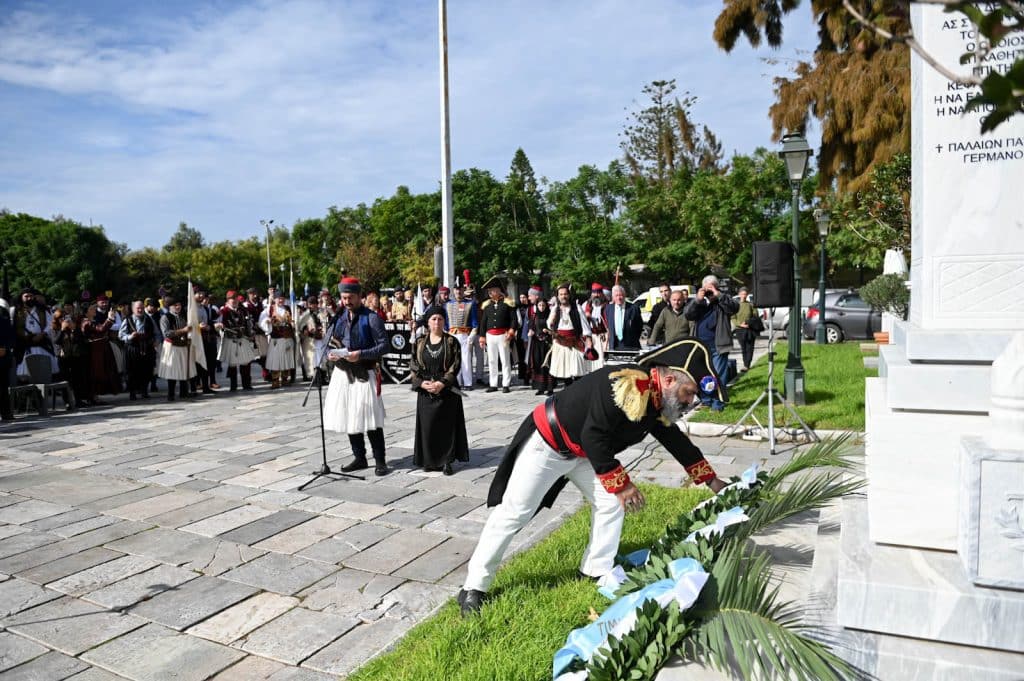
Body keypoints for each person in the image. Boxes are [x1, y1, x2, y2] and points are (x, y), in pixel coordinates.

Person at [457, 338, 729, 615]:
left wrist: (711, 480)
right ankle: (474, 587)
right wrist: (622, 485)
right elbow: (594, 435)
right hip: (549, 444)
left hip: (583, 453)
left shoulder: (657, 396)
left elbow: (674, 440)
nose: (690, 402)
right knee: (514, 513)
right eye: (688, 393)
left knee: (611, 504)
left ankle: (594, 569)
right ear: (669, 380)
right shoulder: (627, 385)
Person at [323, 277, 390, 476]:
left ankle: (380, 460)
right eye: (344, 298)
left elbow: (384, 346)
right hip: (343, 373)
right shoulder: (340, 317)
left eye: (350, 297)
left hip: (364, 372)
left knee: (370, 417)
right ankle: (359, 457)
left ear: (359, 296)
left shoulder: (371, 318)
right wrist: (331, 353)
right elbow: (330, 341)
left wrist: (360, 354)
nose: (346, 301)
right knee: (349, 414)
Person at [410, 305, 469, 475]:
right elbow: (413, 364)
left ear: (444, 321)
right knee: (428, 426)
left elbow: (455, 365)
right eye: (433, 319)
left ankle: (446, 461)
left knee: (446, 426)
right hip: (426, 388)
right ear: (428, 322)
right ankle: (429, 460)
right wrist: (421, 383)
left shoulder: (451, 341)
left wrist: (442, 383)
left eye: (440, 319)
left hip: (446, 390)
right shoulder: (420, 342)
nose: (437, 322)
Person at [684, 275, 739, 410]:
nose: (709, 291)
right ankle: (706, 400)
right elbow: (688, 315)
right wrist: (697, 299)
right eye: (707, 288)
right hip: (700, 346)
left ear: (717, 287)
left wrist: (718, 294)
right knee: (701, 375)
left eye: (712, 287)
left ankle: (717, 404)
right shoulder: (699, 302)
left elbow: (734, 308)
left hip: (718, 344)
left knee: (718, 375)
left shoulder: (722, 300)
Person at [547, 284, 592, 389]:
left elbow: (585, 326)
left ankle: (578, 392)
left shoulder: (577, 308)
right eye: (561, 294)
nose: (563, 296)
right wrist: (551, 322)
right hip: (560, 343)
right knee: (565, 372)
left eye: (565, 294)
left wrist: (589, 341)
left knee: (578, 370)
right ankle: (568, 391)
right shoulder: (555, 309)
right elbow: (549, 324)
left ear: (569, 295)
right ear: (558, 296)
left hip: (575, 342)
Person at [478, 276, 518, 393]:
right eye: (489, 291)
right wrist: (482, 336)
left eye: (492, 290)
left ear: (499, 290)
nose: (490, 293)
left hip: (503, 335)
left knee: (505, 360)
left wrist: (511, 331)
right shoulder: (487, 305)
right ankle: (493, 384)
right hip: (490, 336)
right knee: (492, 360)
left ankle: (506, 384)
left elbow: (514, 319)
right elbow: (483, 322)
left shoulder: (507, 303)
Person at [83, 294, 123, 398]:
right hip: (93, 349)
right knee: (96, 372)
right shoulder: (87, 322)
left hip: (103, 345)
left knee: (107, 368)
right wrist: (109, 319)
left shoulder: (91, 320)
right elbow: (100, 329)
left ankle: (99, 393)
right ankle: (93, 395)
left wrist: (108, 322)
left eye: (106, 302)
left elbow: (117, 326)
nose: (94, 312)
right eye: (92, 310)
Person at [119, 300, 158, 400]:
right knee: (131, 371)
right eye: (138, 308)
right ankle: (132, 392)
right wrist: (130, 336)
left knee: (147, 370)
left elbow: (156, 333)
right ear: (133, 309)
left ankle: (144, 390)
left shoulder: (149, 319)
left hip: (147, 348)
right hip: (132, 349)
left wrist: (156, 341)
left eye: (141, 308)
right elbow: (121, 335)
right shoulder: (127, 320)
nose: (140, 310)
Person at [157, 297, 195, 401]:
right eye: (175, 305)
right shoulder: (165, 318)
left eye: (179, 305)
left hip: (183, 345)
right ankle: (171, 394)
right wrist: (183, 330)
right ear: (170, 307)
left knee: (183, 369)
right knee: (172, 370)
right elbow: (166, 333)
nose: (178, 307)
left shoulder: (184, 316)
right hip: (171, 346)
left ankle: (184, 392)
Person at [219, 290, 257, 391]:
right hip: (231, 339)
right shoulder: (224, 311)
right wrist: (219, 326)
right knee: (232, 363)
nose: (234, 300)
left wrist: (251, 333)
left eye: (236, 298)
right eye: (232, 299)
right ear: (228, 300)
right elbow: (218, 324)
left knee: (246, 362)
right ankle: (233, 385)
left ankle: (246, 384)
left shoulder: (243, 310)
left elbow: (249, 323)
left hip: (243, 338)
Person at [445, 282, 478, 390]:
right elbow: (446, 322)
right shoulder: (448, 304)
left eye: (460, 289)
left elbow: (474, 322)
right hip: (451, 335)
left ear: (463, 290)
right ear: (453, 291)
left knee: (466, 360)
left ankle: (468, 383)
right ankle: (457, 382)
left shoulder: (470, 304)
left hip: (464, 335)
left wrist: (471, 336)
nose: (458, 291)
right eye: (456, 289)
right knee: (453, 360)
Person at [260, 291, 296, 389]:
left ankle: (285, 379)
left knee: (286, 359)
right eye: (279, 298)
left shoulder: (287, 308)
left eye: (282, 298)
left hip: (287, 338)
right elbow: (262, 320)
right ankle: (275, 381)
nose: (281, 300)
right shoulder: (270, 309)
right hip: (276, 339)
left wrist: (292, 324)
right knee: (275, 360)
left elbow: (292, 320)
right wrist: (267, 321)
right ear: (275, 299)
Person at [603, 285, 644, 351]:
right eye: (616, 295)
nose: (619, 298)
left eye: (621, 295)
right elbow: (608, 326)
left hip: (631, 345)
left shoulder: (633, 308)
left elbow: (639, 326)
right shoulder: (608, 309)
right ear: (613, 297)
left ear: (624, 296)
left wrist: (633, 338)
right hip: (614, 345)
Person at [528, 297, 554, 395]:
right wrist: (531, 332)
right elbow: (531, 327)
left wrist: (548, 331)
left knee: (548, 364)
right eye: (539, 305)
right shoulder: (534, 316)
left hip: (547, 344)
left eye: (543, 305)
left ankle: (550, 388)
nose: (541, 307)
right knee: (538, 364)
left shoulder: (550, 315)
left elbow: (554, 329)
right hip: (537, 344)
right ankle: (540, 387)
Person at [731, 286, 758, 373]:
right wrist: (740, 324)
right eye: (742, 294)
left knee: (749, 347)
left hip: (750, 329)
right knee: (743, 348)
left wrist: (749, 323)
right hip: (740, 330)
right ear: (739, 294)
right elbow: (733, 317)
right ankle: (745, 364)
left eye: (745, 294)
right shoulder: (736, 305)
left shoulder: (750, 305)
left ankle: (747, 365)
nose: (744, 295)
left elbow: (755, 316)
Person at [581, 283, 607, 372]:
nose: (596, 295)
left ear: (602, 294)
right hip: (590, 337)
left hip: (603, 337)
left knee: (602, 362)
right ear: (591, 294)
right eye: (594, 293)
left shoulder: (607, 305)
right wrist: (586, 317)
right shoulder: (585, 305)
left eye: (598, 292)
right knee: (590, 361)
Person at [0, 298, 15, 421]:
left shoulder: (4, 321)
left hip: (3, 359)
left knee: (3, 387)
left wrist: (5, 347)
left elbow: (11, 338)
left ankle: (6, 413)